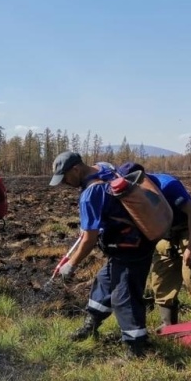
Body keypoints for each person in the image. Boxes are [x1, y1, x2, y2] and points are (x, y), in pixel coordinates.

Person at [49, 151, 155, 355]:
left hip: (130, 247)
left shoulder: (89, 194)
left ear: (76, 169)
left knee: (124, 297)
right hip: (131, 242)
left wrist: (71, 265)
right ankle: (91, 326)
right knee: (104, 282)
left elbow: (88, 239)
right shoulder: (103, 167)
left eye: (65, 178)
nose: (64, 183)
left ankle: (136, 348)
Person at [118, 162, 191, 327]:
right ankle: (168, 324)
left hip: (188, 225)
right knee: (161, 275)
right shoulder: (128, 194)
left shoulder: (167, 185)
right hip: (164, 230)